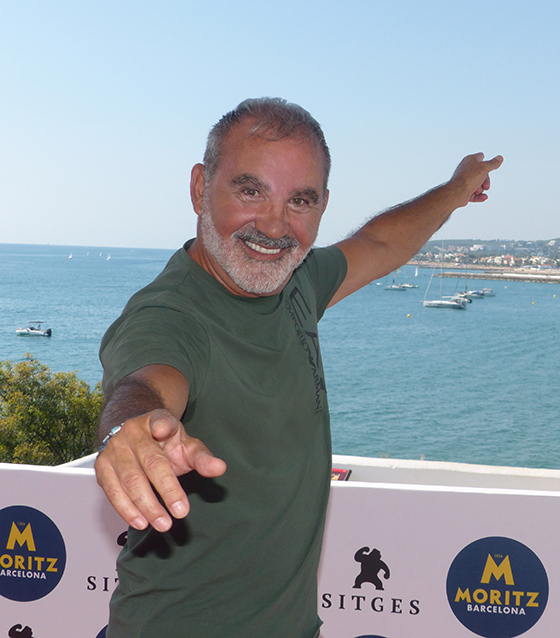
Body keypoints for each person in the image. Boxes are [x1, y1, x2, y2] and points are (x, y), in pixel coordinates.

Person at [94, 97, 502, 637]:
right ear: (199, 187)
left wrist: (456, 190)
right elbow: (145, 382)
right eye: (251, 191)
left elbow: (380, 242)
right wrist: (132, 427)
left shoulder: (296, 282)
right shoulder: (170, 314)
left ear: (323, 205)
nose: (274, 225)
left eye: (300, 201)